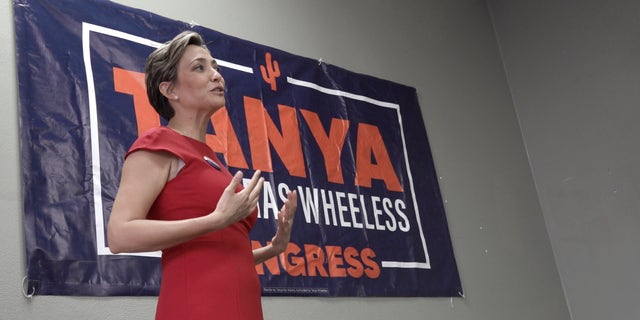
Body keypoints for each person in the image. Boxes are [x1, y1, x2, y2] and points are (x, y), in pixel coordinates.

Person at [107, 31, 297, 320]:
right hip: (196, 307)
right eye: (200, 67)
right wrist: (216, 220)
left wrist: (274, 248)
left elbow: (220, 253)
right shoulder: (158, 144)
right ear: (171, 90)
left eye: (215, 67)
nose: (216, 76)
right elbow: (119, 235)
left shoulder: (213, 162)